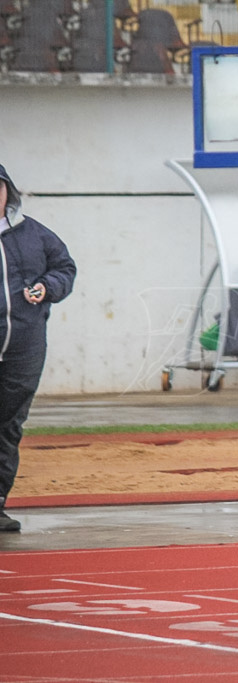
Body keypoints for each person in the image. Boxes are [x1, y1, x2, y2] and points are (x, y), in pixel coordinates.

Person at [0, 164, 77, 532]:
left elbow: (65, 268)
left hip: (24, 347)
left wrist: (48, 287)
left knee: (9, 424)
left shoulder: (35, 234)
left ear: (8, 192)